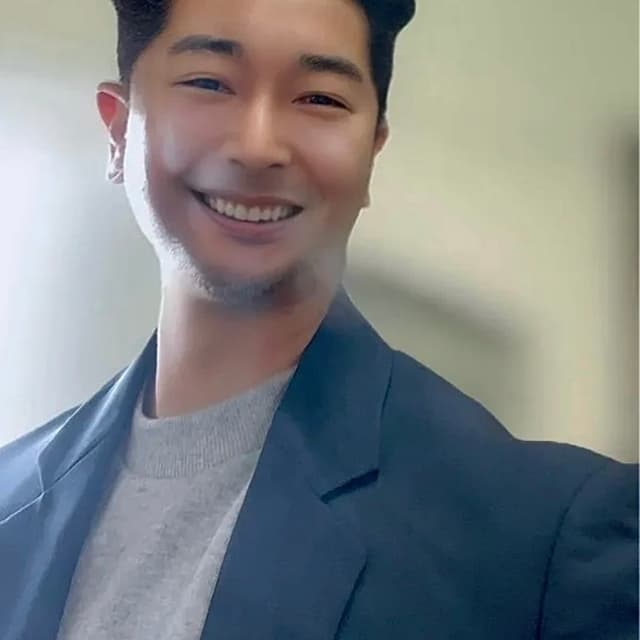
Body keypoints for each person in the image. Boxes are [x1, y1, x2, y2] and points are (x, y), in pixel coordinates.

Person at [0, 0, 637, 638]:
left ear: (373, 149)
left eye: (320, 99)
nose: (257, 146)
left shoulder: (542, 537)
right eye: (209, 83)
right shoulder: (11, 501)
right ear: (118, 131)